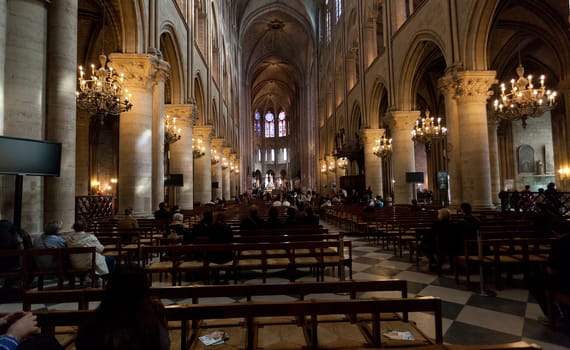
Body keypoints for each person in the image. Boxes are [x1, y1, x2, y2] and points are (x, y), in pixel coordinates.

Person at [75, 264, 170, 350]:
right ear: (145, 291)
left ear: (110, 290)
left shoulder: (92, 325)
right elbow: (164, 345)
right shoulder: (153, 316)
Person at [528, 222, 570, 326]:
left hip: (566, 283)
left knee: (535, 284)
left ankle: (554, 316)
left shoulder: (559, 244)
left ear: (555, 232)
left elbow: (551, 270)